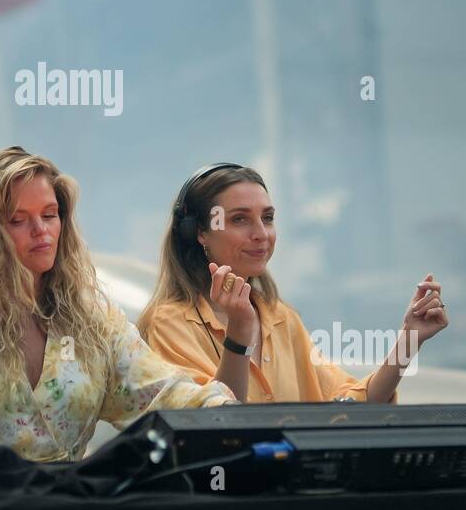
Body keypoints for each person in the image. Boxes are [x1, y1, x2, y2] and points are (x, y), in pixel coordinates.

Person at [0, 147, 236, 492]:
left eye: (49, 214)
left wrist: (235, 416)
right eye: (17, 220)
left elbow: (166, 395)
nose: (41, 231)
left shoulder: (94, 324)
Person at [138, 163, 448, 403]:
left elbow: (347, 408)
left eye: (268, 217)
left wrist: (410, 341)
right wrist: (240, 332)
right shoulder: (170, 323)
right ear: (198, 233)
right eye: (240, 219)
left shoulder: (281, 318)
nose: (262, 233)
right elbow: (214, 424)